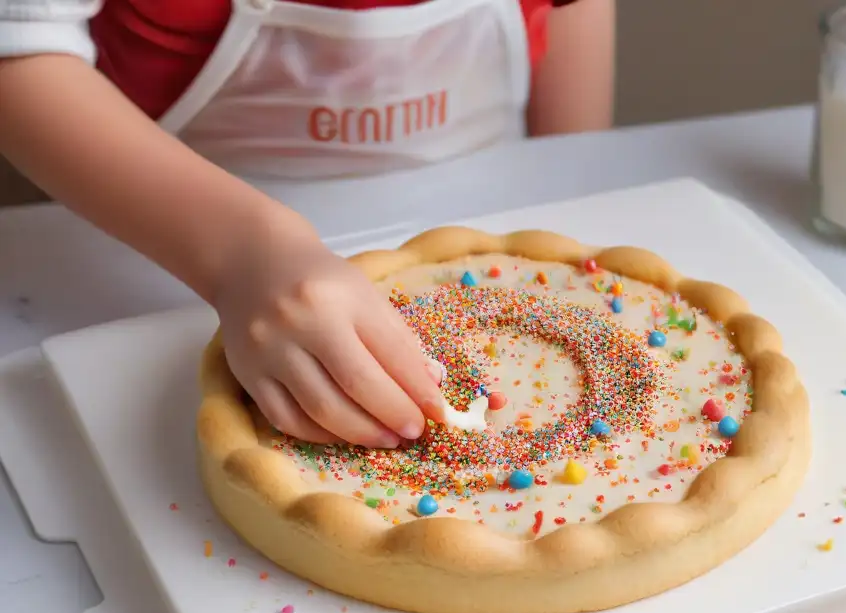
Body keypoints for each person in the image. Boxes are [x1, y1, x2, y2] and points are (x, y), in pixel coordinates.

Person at [0, 0, 615, 447]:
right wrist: (241, 255)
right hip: (159, 256)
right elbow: (17, 45)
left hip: (490, 220)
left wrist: (568, 186)